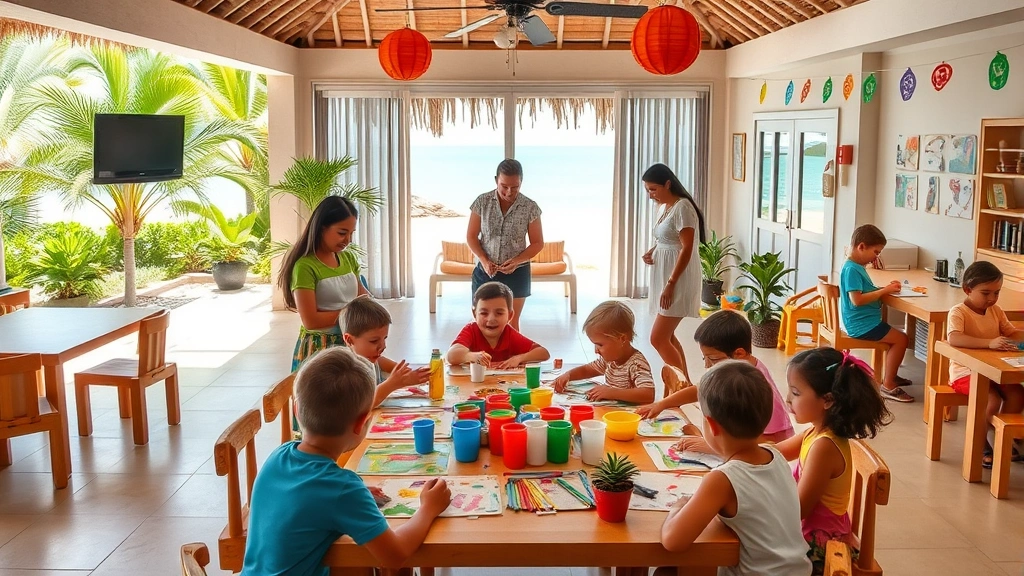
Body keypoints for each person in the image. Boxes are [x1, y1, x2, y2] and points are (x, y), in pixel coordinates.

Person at [241, 347, 452, 576]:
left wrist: (354, 496)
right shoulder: (342, 488)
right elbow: (395, 555)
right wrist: (428, 509)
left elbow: (308, 502)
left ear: (296, 411)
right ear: (361, 423)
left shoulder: (278, 456)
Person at [658, 361, 811, 576]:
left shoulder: (722, 479)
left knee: (666, 572)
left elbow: (673, 541)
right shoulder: (775, 455)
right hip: (799, 572)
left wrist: (678, 507)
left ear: (712, 426)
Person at [776, 348, 892, 574]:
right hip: (810, 535)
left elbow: (798, 510)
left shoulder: (825, 447)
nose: (788, 399)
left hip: (821, 550)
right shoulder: (815, 433)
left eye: (796, 393)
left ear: (827, 400)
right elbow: (774, 454)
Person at [637, 310, 795, 445]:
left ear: (739, 353)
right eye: (704, 358)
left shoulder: (752, 383)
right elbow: (700, 389)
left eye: (713, 359)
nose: (707, 365)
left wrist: (709, 446)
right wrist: (661, 404)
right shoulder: (732, 370)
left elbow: (771, 442)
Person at [945, 261, 1024, 468]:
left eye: (996, 293)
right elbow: (955, 338)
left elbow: (1010, 332)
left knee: (1017, 393)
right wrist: (989, 343)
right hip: (964, 373)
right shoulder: (958, 312)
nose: (992, 299)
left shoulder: (996, 311)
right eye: (986, 293)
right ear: (968, 290)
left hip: (993, 370)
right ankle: (982, 445)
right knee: (990, 399)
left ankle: (1006, 437)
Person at [278, 196, 369, 372]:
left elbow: (363, 297)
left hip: (351, 343)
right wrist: (352, 313)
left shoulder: (348, 258)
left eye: (351, 233)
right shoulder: (305, 266)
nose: (347, 240)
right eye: (342, 233)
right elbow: (311, 320)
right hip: (320, 349)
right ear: (321, 228)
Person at [641, 163, 706, 384]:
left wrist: (671, 282)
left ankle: (682, 386)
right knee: (667, 336)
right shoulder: (665, 207)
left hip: (677, 278)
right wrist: (652, 251)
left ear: (668, 184)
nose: (650, 195)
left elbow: (687, 248)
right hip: (666, 275)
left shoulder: (683, 207)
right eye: (648, 190)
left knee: (658, 338)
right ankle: (685, 384)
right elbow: (667, 240)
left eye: (653, 189)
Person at [466, 158, 544, 332]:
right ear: (496, 180)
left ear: (521, 182)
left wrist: (516, 261)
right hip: (485, 271)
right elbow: (471, 236)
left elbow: (538, 243)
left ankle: (513, 360)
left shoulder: (530, 207)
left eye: (515, 187)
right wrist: (484, 260)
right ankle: (482, 359)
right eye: (504, 186)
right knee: (482, 323)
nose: (509, 192)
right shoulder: (482, 202)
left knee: (511, 324)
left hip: (517, 273)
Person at [839, 224, 914, 402]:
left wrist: (885, 288)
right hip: (862, 325)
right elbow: (857, 300)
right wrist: (883, 291)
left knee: (898, 337)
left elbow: (863, 291)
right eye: (876, 252)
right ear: (861, 246)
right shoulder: (852, 269)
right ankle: (888, 385)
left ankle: (891, 375)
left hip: (863, 322)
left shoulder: (854, 266)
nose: (876, 258)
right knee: (901, 339)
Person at [551, 301, 655, 404]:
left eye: (600, 345)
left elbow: (648, 394)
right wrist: (568, 375)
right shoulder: (610, 360)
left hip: (628, 417)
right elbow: (587, 370)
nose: (596, 350)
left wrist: (612, 393)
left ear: (622, 339)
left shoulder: (636, 364)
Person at [341, 296, 432, 408]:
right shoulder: (346, 372)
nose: (383, 346)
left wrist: (407, 376)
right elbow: (363, 405)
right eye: (374, 341)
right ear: (349, 340)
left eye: (384, 338)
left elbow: (387, 364)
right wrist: (391, 384)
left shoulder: (371, 358)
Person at [446, 281, 550, 369]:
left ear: (510, 316)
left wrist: (518, 358)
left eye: (499, 313)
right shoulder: (471, 330)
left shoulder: (509, 334)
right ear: (474, 314)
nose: (491, 319)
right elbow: (451, 356)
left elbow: (543, 353)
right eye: (484, 313)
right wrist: (470, 356)